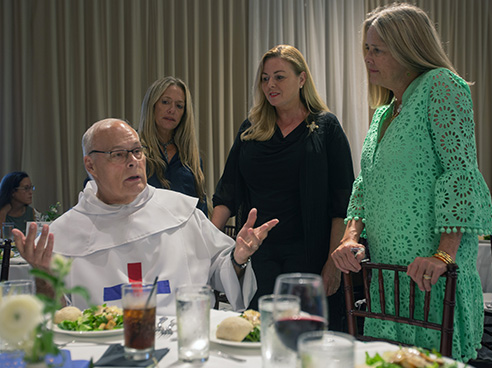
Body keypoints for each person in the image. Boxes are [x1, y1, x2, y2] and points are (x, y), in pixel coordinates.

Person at [330, 3, 492, 362]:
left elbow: (460, 172)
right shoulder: (385, 112)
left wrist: (444, 254)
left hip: (430, 276)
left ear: (408, 48)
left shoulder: (442, 85)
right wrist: (350, 237)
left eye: (378, 50)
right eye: (366, 50)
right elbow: (365, 186)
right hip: (390, 280)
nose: (368, 59)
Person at [13, 118, 278, 315]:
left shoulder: (180, 212)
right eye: (118, 154)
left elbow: (220, 272)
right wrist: (43, 275)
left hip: (185, 347)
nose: (133, 161)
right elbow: (59, 320)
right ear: (90, 165)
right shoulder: (64, 234)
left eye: (137, 151)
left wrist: (238, 258)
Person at [211, 44, 355, 330]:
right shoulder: (251, 129)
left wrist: (332, 264)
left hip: (310, 256)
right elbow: (228, 190)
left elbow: (343, 203)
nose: (270, 85)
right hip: (261, 256)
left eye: (279, 77)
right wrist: (204, 243)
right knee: (260, 335)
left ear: (302, 79)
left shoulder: (326, 128)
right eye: (265, 78)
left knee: (304, 339)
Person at [139, 76, 208, 215]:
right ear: (152, 105)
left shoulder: (191, 158)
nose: (172, 110)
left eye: (179, 106)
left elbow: (200, 211)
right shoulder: (133, 152)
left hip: (184, 234)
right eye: (165, 102)